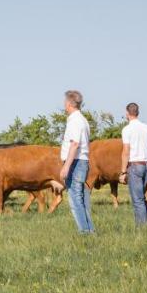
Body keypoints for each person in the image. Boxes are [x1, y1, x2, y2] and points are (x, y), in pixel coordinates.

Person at [57, 89, 93, 234]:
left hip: (75, 163)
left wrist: (66, 166)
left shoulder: (75, 121)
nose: (64, 105)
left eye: (65, 102)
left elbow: (74, 144)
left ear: (69, 103)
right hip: (80, 161)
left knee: (75, 200)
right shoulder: (82, 120)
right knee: (81, 199)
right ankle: (89, 231)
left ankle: (85, 232)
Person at [120, 102, 147, 227]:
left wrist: (123, 171)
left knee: (137, 200)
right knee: (141, 197)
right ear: (138, 113)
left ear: (127, 113)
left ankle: (143, 228)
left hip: (135, 165)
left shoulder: (127, 129)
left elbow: (126, 151)